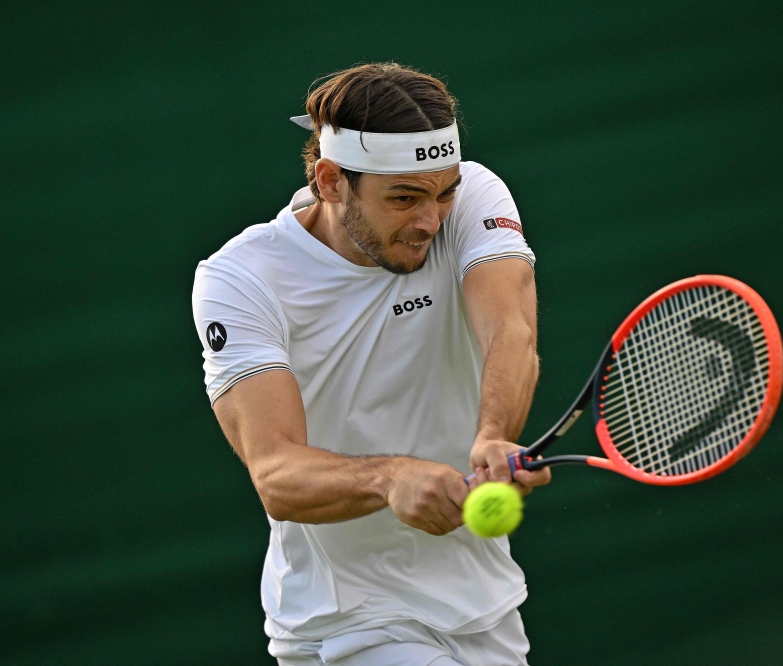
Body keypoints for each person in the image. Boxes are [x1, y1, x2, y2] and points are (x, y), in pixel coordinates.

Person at [192, 62, 550, 666]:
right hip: (348, 625)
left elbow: (510, 332)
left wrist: (494, 435)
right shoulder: (241, 279)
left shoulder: (473, 198)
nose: (430, 221)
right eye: (404, 197)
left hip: (482, 605)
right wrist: (389, 478)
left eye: (444, 193)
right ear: (330, 181)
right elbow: (276, 473)